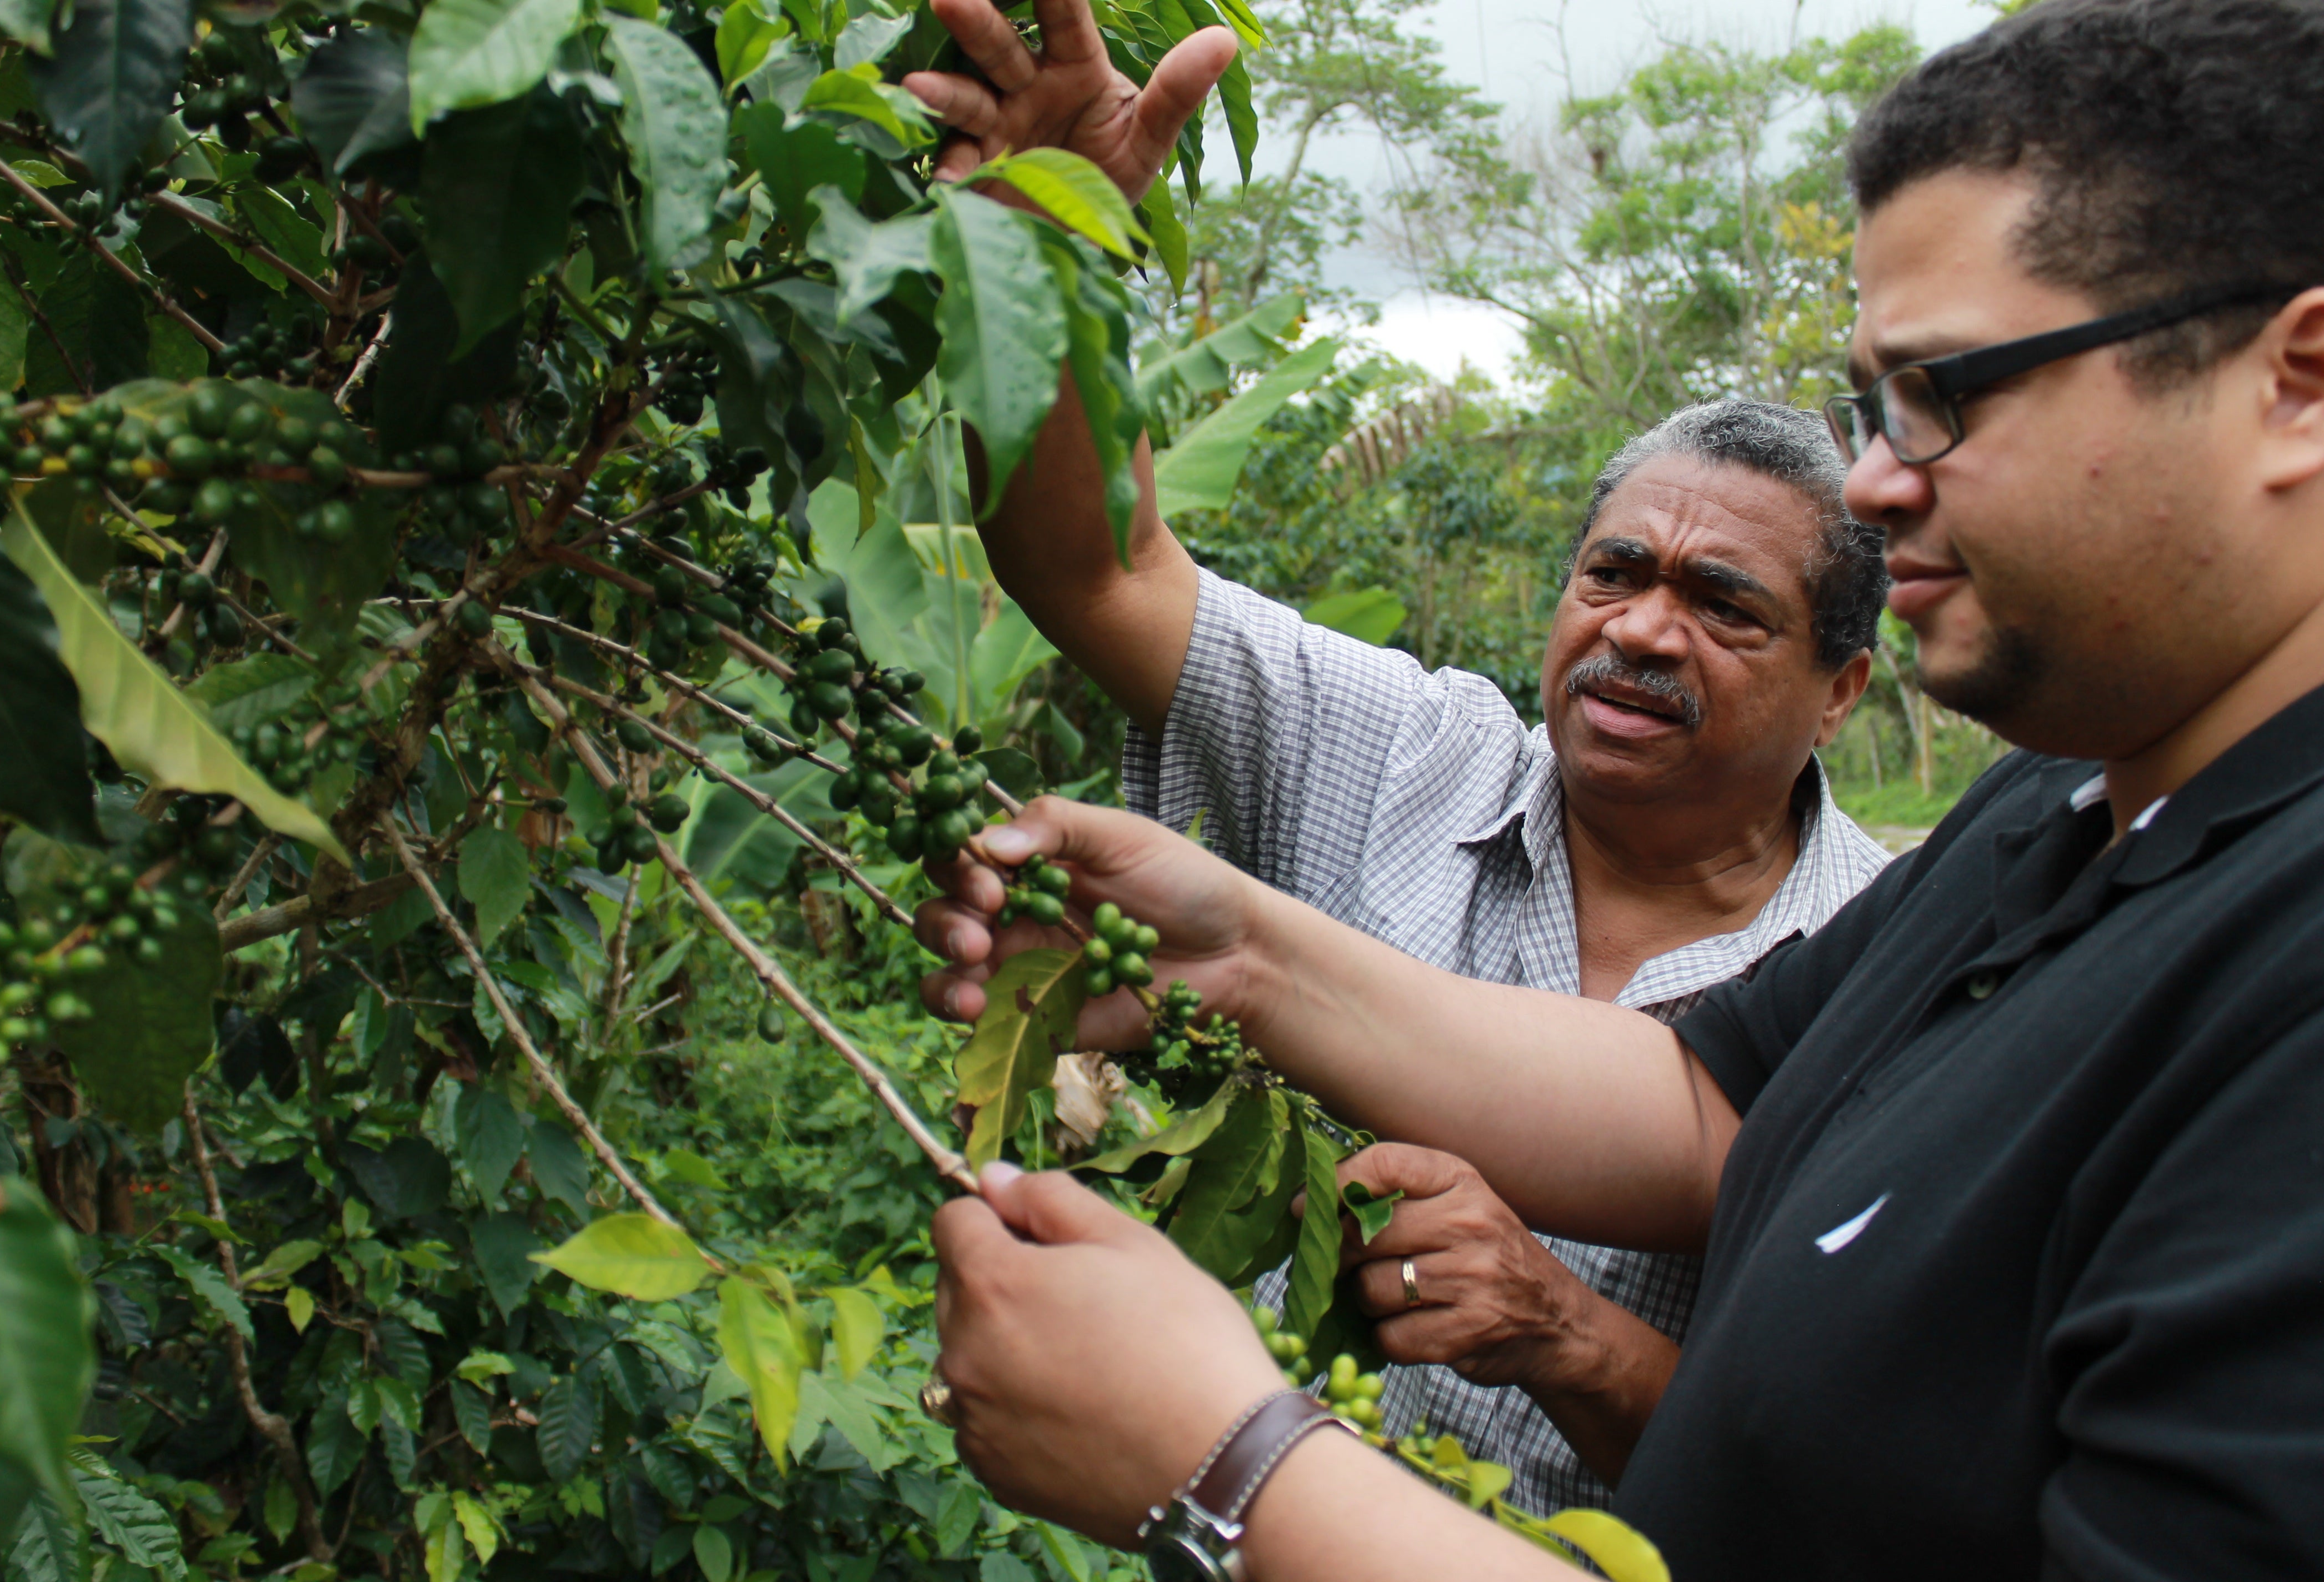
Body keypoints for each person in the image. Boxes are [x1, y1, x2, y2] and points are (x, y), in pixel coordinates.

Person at [904, 0, 2324, 1578]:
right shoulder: (2052, 817)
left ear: (2298, 381)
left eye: (1947, 395)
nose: (1874, 478)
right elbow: (1707, 1105)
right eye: (1874, 407)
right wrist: (1236, 949)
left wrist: (1233, 1472)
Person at [934, 386, 1888, 1509]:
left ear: (1840, 692)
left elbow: (1856, 1493)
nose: (1638, 629)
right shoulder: (1406, 757)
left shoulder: (1896, 967)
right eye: (1614, 574)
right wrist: (1044, 230)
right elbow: (1106, 569)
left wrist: (1570, 1335)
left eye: (1724, 606)